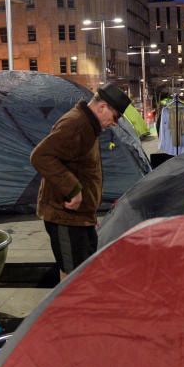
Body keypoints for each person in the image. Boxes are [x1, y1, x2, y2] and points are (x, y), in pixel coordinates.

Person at [30, 83, 131, 280]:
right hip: (65, 218)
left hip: (79, 218)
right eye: (116, 116)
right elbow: (41, 156)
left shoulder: (88, 125)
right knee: (72, 277)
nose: (115, 123)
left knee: (82, 274)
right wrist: (73, 189)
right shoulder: (76, 123)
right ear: (102, 107)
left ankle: (78, 309)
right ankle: (67, 311)